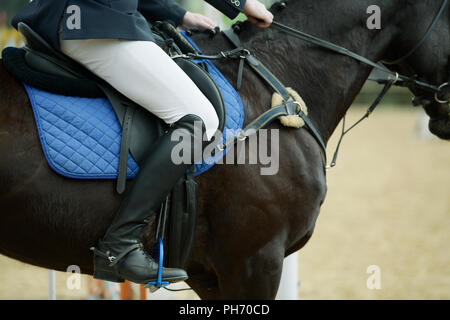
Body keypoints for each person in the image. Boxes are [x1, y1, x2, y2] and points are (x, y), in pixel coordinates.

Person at [12, 0, 273, 285]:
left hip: (61, 15)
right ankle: (120, 243)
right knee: (200, 119)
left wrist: (177, 15)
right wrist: (242, 3)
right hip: (96, 23)